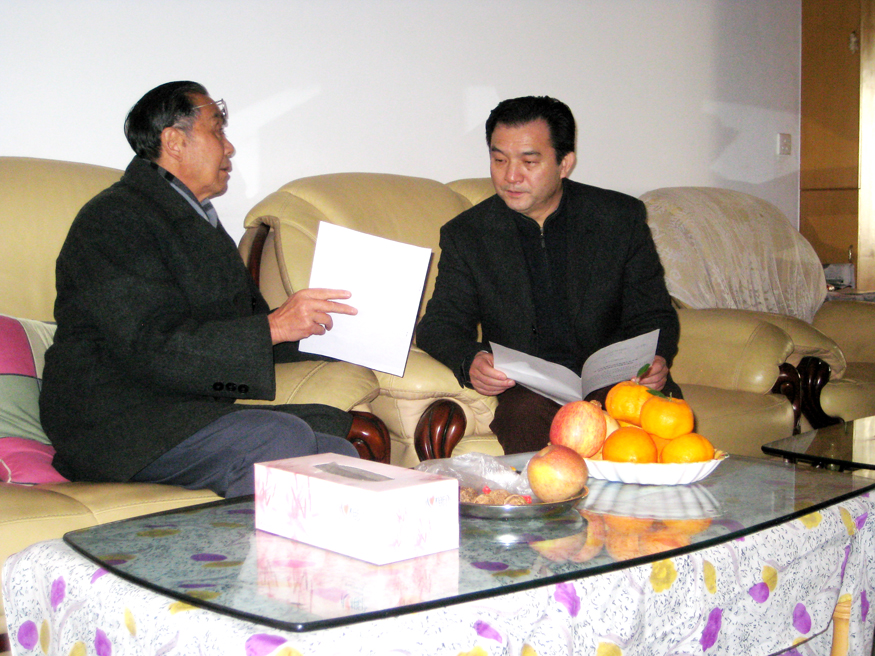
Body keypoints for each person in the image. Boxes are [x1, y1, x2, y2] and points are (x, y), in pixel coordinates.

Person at [40, 81, 360, 498]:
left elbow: (250, 330)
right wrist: (275, 327)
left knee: (337, 453)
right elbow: (151, 344)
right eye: (218, 131)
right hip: (113, 418)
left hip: (178, 411)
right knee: (281, 436)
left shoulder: (198, 222)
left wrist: (339, 333)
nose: (230, 148)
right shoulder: (114, 218)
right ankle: (235, 543)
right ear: (174, 141)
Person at [416, 96, 681, 454]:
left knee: (653, 418)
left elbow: (654, 314)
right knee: (524, 414)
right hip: (531, 392)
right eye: (499, 160)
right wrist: (471, 360)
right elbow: (440, 325)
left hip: (618, 383)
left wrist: (655, 360)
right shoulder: (468, 234)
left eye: (529, 162)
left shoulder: (618, 218)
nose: (511, 176)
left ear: (564, 163)